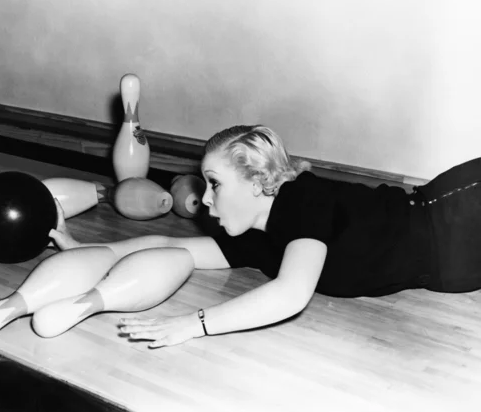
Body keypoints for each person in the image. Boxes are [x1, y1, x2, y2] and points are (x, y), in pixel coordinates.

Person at [49, 124, 481, 348]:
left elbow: (291, 294)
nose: (204, 200)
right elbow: (170, 245)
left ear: (257, 181)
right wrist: (92, 250)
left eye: (214, 183)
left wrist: (192, 325)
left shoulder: (301, 200)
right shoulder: (258, 237)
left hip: (455, 215)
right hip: (454, 264)